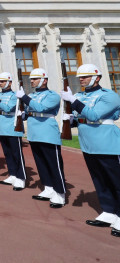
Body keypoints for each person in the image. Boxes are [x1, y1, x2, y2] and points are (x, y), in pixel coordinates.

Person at [61, 64, 120, 236]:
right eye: (80, 76)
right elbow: (81, 118)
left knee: (116, 181)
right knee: (99, 180)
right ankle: (109, 211)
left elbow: (94, 115)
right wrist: (69, 118)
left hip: (107, 144)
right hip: (88, 144)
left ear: (97, 78)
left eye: (85, 76)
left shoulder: (109, 96)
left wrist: (73, 101)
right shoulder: (79, 95)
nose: (81, 79)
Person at [16, 68, 65, 208]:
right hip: (34, 132)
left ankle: (60, 193)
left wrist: (24, 98)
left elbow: (41, 108)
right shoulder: (32, 95)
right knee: (41, 163)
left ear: (44, 80)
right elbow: (28, 111)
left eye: (35, 79)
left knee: (54, 164)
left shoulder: (52, 95)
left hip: (47, 132)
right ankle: (48, 188)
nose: (31, 81)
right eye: (31, 79)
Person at [0, 72, 26, 191]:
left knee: (16, 153)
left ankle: (21, 177)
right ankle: (12, 174)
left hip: (12, 127)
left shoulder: (14, 95)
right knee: (7, 153)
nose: (0, 83)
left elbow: (7, 108)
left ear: (10, 82)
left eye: (3, 81)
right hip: (2, 127)